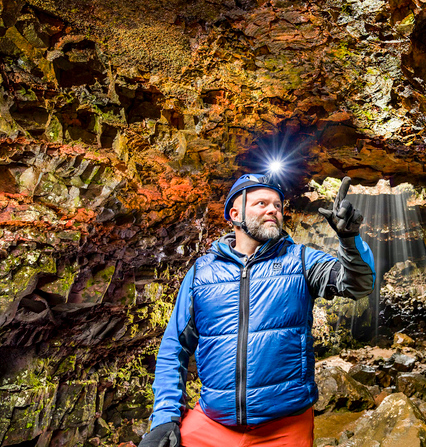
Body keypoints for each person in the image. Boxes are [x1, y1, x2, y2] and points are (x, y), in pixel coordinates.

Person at [139, 174, 375, 447]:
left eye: (277, 205)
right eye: (261, 203)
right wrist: (165, 417)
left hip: (284, 426)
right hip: (213, 423)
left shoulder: (301, 260)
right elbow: (174, 348)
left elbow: (359, 284)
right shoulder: (202, 273)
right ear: (235, 214)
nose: (273, 209)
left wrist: (349, 239)